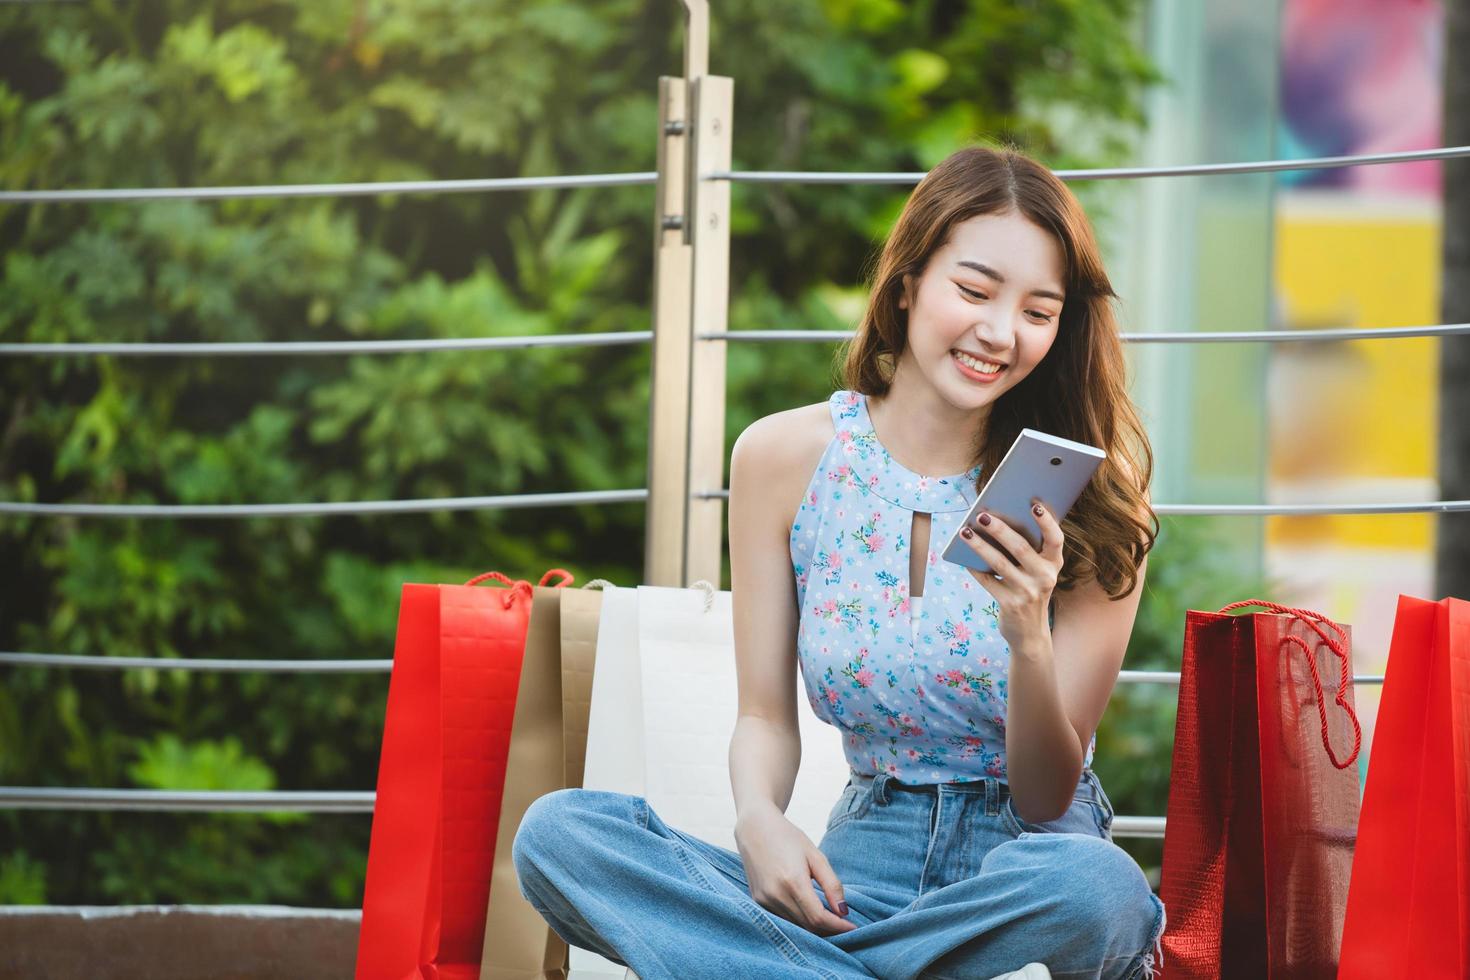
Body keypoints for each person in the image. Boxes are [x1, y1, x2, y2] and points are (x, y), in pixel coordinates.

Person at [512, 144, 1167, 980]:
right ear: (907, 284)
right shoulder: (784, 459)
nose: (1000, 333)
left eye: (1039, 312)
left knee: (1100, 889)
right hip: (861, 872)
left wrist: (1027, 636)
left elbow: (1045, 797)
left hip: (1023, 877)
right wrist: (758, 819)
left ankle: (810, 971)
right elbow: (764, 717)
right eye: (973, 291)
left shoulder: (1097, 507)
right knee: (562, 836)